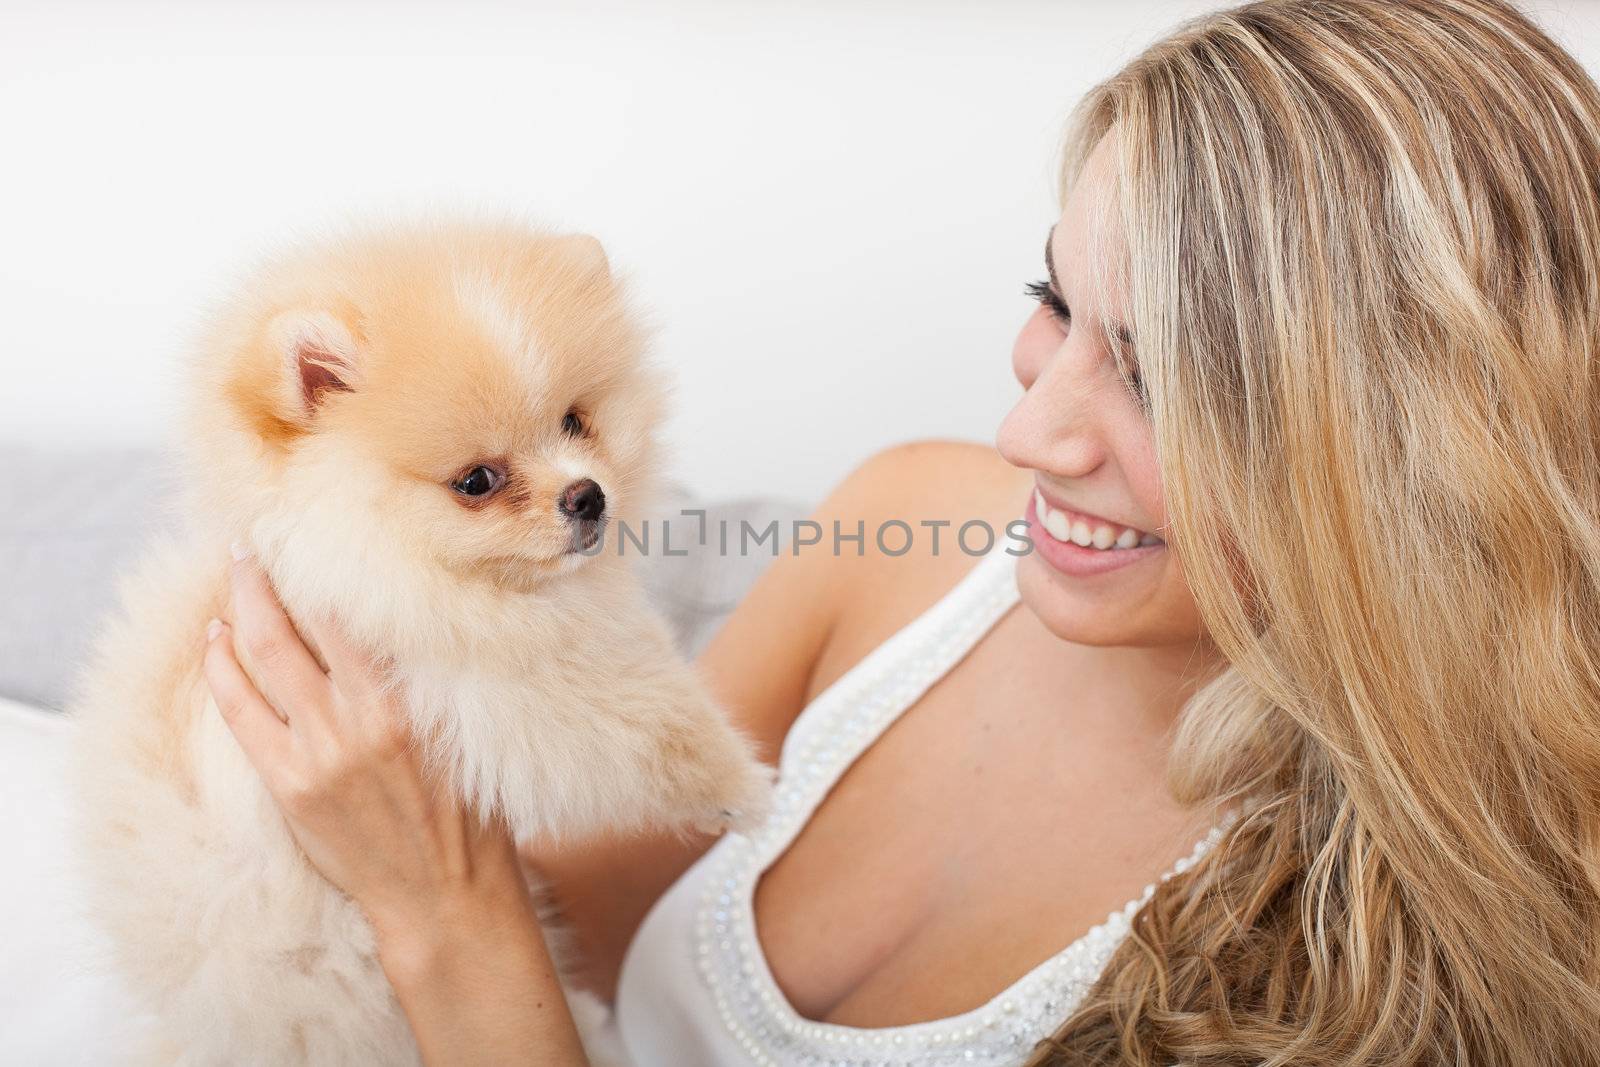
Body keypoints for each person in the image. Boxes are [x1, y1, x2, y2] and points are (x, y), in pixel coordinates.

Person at [201, 0, 1600, 1062]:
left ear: (1432, 464)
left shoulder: (1387, 972)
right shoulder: (911, 518)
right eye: (1053, 304)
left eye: (1165, 375)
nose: (1030, 434)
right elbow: (587, 903)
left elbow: (480, 927)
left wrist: (443, 914)